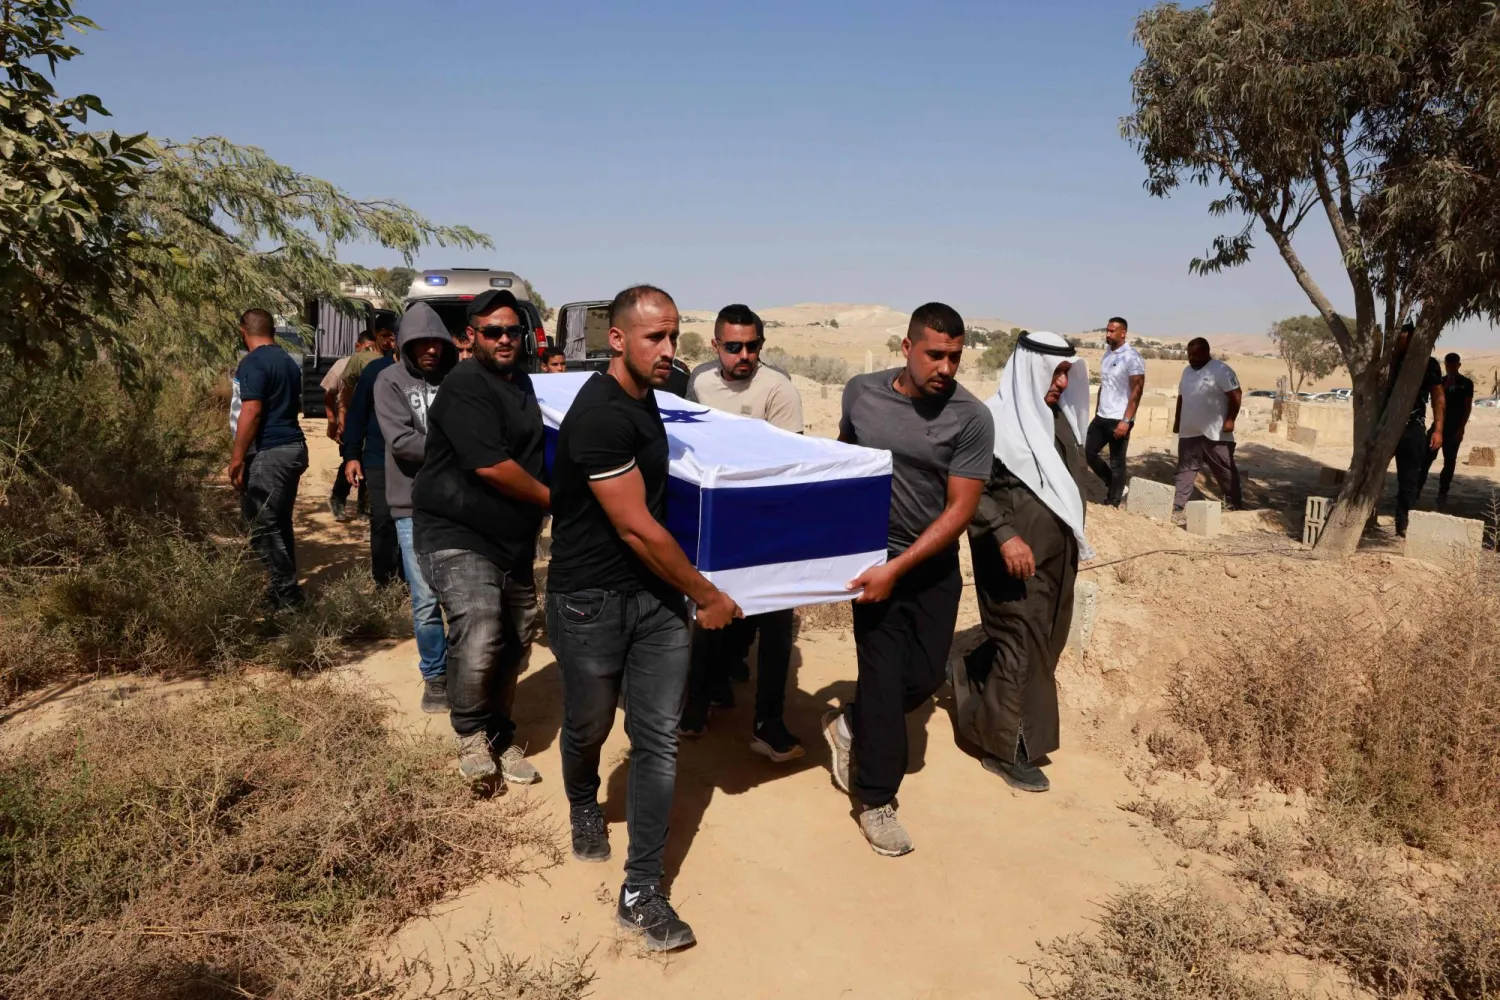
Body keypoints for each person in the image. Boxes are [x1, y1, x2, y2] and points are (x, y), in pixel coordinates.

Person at [547, 284, 741, 952]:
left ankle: (642, 891)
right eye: (655, 336)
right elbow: (635, 528)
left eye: (674, 335)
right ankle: (582, 800)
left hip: (655, 601)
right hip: (590, 600)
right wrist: (708, 594)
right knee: (589, 724)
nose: (668, 348)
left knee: (657, 738)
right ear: (617, 338)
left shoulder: (648, 398)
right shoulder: (601, 416)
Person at [825, 303, 994, 857]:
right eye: (935, 354)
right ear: (906, 347)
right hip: (873, 558)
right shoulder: (862, 393)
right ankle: (876, 800)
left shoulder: (971, 418)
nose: (946, 367)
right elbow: (844, 459)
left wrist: (899, 570)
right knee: (880, 677)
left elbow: (960, 510)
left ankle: (850, 724)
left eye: (955, 357)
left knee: (921, 679)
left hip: (931, 566)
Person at [413, 290, 547, 784]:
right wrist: (556, 500)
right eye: (493, 332)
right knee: (482, 620)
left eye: (513, 330)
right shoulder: (465, 384)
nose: (505, 339)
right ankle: (470, 732)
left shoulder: (523, 383)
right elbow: (490, 465)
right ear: (471, 337)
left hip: (510, 538)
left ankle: (498, 734)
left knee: (515, 636)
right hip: (457, 531)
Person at [954, 333, 1093, 794]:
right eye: (1054, 373)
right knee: (1021, 643)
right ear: (1031, 370)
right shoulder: (990, 421)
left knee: (1046, 641)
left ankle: (974, 677)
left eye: (1066, 374)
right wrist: (1005, 534)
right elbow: (970, 490)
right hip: (1011, 557)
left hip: (1056, 557)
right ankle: (1005, 749)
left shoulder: (1058, 421)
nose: (1061, 383)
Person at [680, 303, 805, 760]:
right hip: (715, 521)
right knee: (708, 613)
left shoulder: (779, 388)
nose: (744, 355)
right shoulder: (699, 382)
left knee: (776, 622)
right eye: (733, 347)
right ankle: (697, 703)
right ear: (716, 345)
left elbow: (790, 463)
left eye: (753, 346)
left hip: (768, 522)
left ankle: (769, 721)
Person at [374, 302, 456, 714]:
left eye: (436, 342)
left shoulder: (459, 379)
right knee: (425, 599)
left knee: (461, 595)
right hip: (410, 506)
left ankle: (463, 669)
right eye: (421, 342)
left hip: (458, 504)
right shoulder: (389, 381)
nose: (430, 349)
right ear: (405, 344)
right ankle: (435, 675)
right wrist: (460, 449)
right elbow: (402, 442)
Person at [228, 308, 309, 608]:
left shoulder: (253, 362)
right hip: (293, 448)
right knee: (278, 522)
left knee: (259, 524)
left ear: (243, 332)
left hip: (270, 451)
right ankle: (281, 592)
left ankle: (289, 595)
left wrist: (237, 458)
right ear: (273, 331)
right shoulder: (287, 361)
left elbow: (252, 411)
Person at [342, 326, 401, 585]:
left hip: (416, 461)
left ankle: (409, 578)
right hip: (378, 457)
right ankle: (384, 581)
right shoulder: (375, 371)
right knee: (383, 517)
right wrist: (351, 455)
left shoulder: (428, 373)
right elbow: (357, 414)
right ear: (396, 340)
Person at [1172, 338, 1243, 513]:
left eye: (1195, 354)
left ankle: (1234, 505)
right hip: (1189, 431)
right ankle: (1178, 503)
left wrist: (1230, 419)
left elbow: (1236, 394)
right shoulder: (1186, 372)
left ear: (1206, 352)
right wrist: (1177, 421)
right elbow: (1181, 397)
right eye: (1189, 354)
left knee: (1225, 471)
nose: (1191, 358)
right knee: (1185, 470)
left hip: (1216, 433)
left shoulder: (1221, 370)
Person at [1388, 321, 1445, 535]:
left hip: (1413, 427)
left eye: (1406, 338)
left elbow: (1438, 397)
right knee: (1370, 472)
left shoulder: (1428, 364)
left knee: (1409, 479)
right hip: (1384, 426)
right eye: (1400, 338)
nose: (1402, 342)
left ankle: (1403, 524)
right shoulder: (1387, 362)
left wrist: (1438, 429)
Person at [1084, 316, 1144, 506]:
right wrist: (1097, 410)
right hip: (1102, 416)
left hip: (1120, 418)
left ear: (1123, 333)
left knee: (1117, 462)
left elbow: (1137, 390)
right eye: (1107, 330)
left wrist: (1126, 420)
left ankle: (1113, 501)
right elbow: (1105, 385)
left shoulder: (1132, 357)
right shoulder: (1107, 355)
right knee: (1088, 453)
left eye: (1112, 331)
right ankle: (1115, 485)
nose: (1107, 334)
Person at [323, 328, 375, 521]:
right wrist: (333, 420)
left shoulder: (378, 364)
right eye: (366, 348)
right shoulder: (343, 365)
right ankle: (338, 498)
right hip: (349, 422)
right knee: (351, 460)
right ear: (357, 346)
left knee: (369, 463)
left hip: (369, 423)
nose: (368, 352)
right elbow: (329, 394)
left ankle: (364, 508)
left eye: (372, 348)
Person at [1424, 351, 1472, 508]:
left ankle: (1443, 492)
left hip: (1454, 428)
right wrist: (1445, 386)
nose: (1451, 368)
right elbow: (1436, 401)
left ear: (1459, 365)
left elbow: (1467, 407)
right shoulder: (1441, 381)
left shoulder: (1466, 383)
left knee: (1449, 462)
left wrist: (1461, 429)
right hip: (1438, 427)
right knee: (1426, 458)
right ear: (1445, 365)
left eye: (1453, 365)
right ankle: (1417, 488)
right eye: (1448, 365)